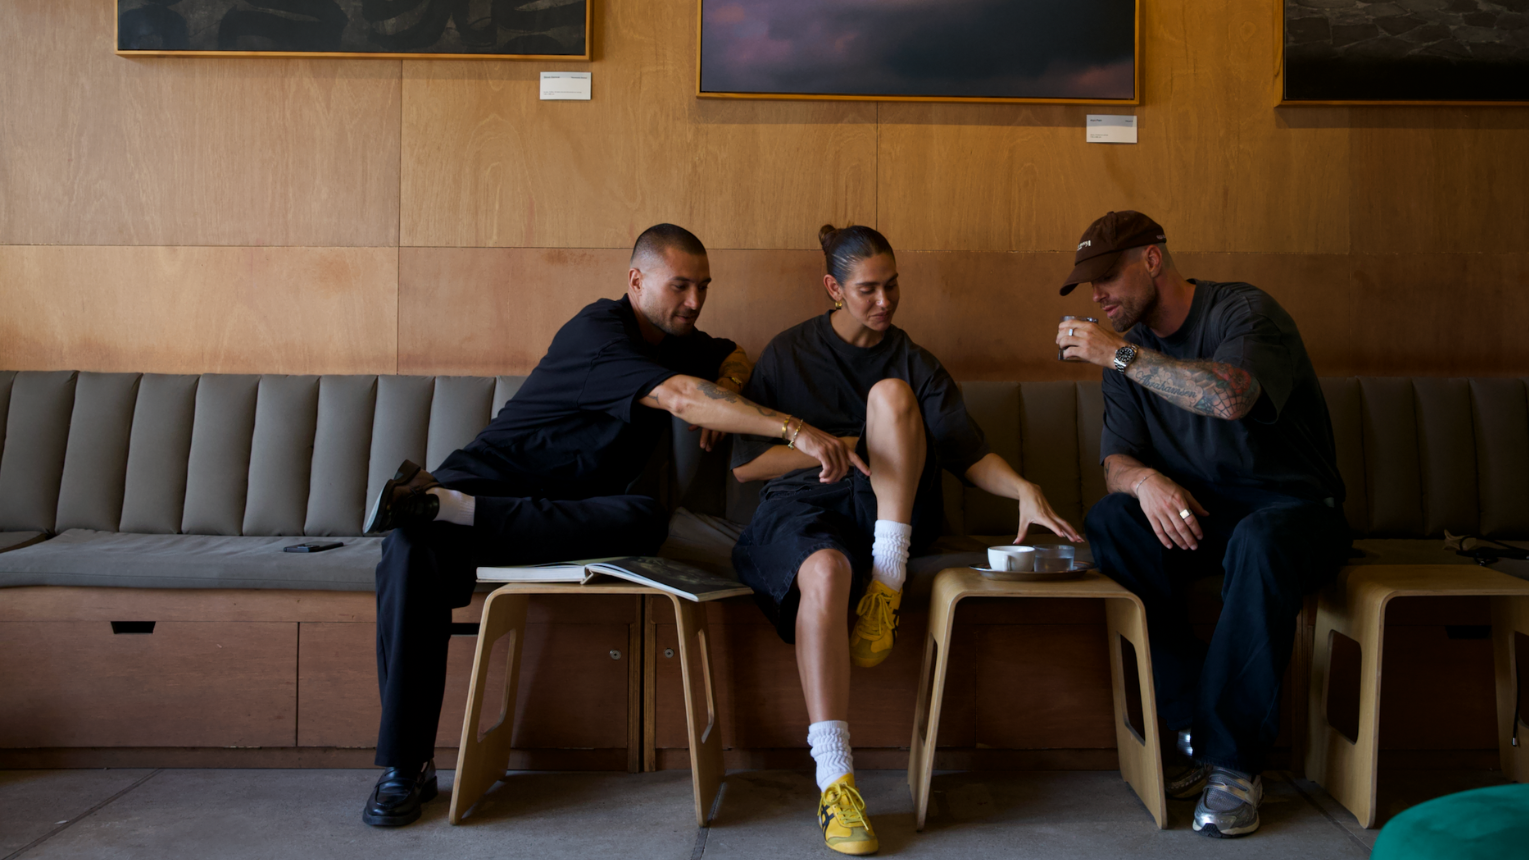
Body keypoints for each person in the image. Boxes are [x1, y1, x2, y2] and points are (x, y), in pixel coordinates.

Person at [358, 224, 865, 828]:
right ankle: (405, 766)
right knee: (408, 547)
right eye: (680, 286)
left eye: (703, 287)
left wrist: (728, 385)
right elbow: (680, 398)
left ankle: (451, 512)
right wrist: (794, 429)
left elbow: (732, 353)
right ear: (636, 280)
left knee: (644, 517)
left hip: (565, 514)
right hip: (488, 481)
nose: (695, 301)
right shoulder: (598, 332)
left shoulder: (676, 337)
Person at [731, 224, 1083, 855]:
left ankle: (887, 583)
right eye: (868, 289)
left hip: (889, 512)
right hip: (803, 505)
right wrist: (835, 446)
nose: (885, 301)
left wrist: (1023, 489)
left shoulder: (913, 362)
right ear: (833, 288)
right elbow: (745, 467)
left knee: (891, 396)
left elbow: (968, 455)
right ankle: (836, 783)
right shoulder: (788, 353)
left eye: (892, 285)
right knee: (825, 573)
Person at [1055, 211, 1349, 839]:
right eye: (1089, 284)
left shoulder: (1244, 312)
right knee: (1113, 521)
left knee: (1259, 540)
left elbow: (1231, 397)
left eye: (1107, 277)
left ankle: (1234, 765)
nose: (1098, 295)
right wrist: (1144, 481)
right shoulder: (1128, 350)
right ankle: (1194, 726)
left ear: (1152, 259)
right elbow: (1116, 463)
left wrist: (1119, 355)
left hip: (1295, 513)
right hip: (1206, 516)